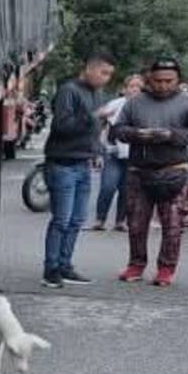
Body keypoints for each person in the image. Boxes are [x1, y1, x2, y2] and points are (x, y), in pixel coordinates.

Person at [111, 57, 188, 286]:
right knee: (136, 222)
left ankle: (166, 268)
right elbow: (118, 130)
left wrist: (170, 135)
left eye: (169, 81)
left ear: (178, 80)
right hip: (139, 170)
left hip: (173, 170)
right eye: (158, 80)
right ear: (149, 79)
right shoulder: (134, 102)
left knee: (173, 224)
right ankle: (135, 264)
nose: (163, 85)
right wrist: (136, 134)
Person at [41, 50, 116, 288]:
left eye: (109, 75)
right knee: (61, 220)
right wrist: (95, 116)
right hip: (62, 163)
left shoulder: (97, 93)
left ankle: (65, 265)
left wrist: (97, 152)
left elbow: (93, 130)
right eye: (103, 72)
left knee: (76, 221)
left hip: (83, 162)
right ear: (90, 68)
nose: (106, 78)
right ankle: (51, 269)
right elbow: (62, 126)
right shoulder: (69, 91)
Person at [92, 73, 144, 231]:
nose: (134, 89)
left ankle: (120, 221)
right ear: (125, 89)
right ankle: (100, 219)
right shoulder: (117, 103)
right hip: (112, 152)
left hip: (134, 155)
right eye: (132, 86)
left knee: (126, 189)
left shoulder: (147, 107)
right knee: (108, 186)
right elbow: (97, 118)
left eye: (138, 87)